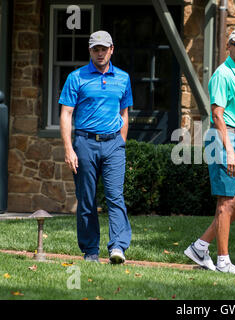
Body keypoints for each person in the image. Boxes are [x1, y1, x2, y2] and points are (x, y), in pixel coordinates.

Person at [184, 29, 235, 275]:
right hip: (222, 141)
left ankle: (200, 246)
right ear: (229, 46)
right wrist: (230, 151)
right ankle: (223, 261)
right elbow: (217, 115)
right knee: (226, 203)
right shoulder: (222, 74)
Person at [59, 30, 133, 264]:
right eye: (96, 49)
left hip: (113, 145)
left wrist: (120, 142)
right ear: (90, 51)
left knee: (115, 196)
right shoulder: (76, 77)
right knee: (87, 199)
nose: (100, 53)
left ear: (112, 50)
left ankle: (118, 247)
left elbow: (124, 113)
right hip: (84, 143)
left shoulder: (123, 78)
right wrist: (69, 149)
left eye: (104, 49)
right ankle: (91, 250)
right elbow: (66, 114)